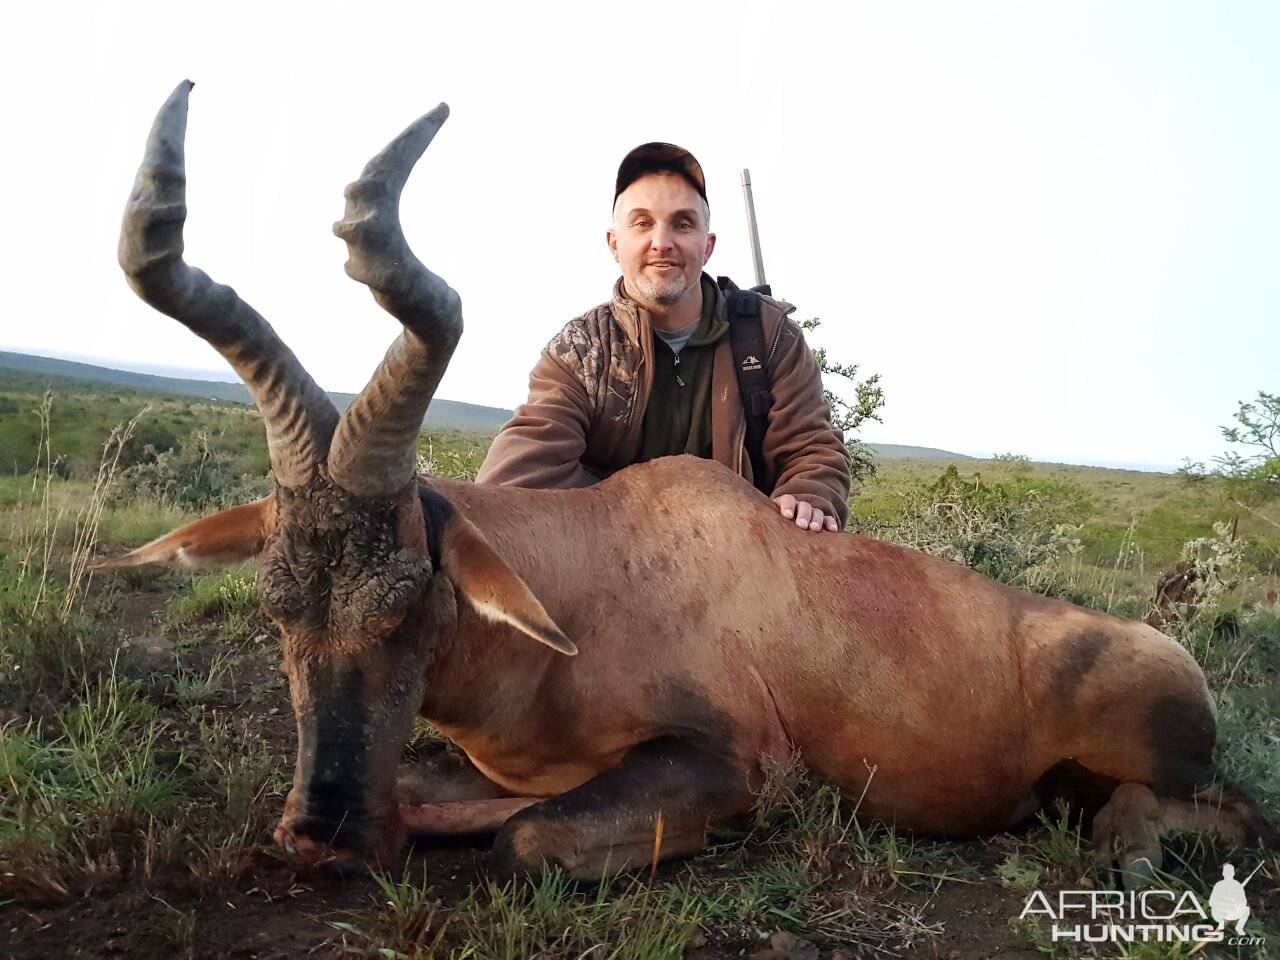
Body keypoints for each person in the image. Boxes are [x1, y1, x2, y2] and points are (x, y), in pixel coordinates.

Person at [476, 142, 852, 532]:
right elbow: (509, 481)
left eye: (683, 224)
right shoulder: (579, 352)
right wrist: (640, 524)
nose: (661, 242)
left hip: (742, 561)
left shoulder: (771, 337)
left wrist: (808, 496)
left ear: (707, 247)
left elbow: (813, 452)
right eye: (642, 223)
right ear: (614, 244)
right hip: (618, 563)